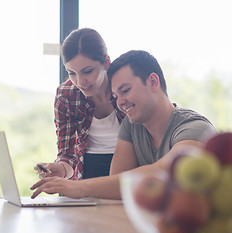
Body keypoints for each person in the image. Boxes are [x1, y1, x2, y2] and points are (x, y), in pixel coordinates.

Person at [31, 50, 216, 200]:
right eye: (116, 95)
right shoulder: (131, 125)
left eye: (125, 90)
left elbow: (165, 170)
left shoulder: (195, 128)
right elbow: (117, 186)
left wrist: (79, 187)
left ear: (152, 82)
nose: (120, 103)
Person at [35, 28, 125, 180]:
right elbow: (67, 154)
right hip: (85, 177)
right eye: (71, 73)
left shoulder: (125, 87)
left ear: (106, 63)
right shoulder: (66, 95)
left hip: (129, 172)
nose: (80, 81)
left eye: (88, 71)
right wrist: (60, 171)